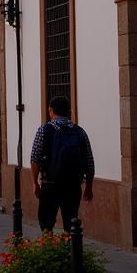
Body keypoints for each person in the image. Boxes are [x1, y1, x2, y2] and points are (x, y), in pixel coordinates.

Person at [30, 95, 94, 233]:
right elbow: (89, 161)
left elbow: (35, 158)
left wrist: (35, 182)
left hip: (50, 184)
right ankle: (70, 251)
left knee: (46, 224)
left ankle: (49, 249)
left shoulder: (44, 130)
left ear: (51, 110)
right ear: (68, 111)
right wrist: (88, 186)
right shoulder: (80, 131)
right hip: (72, 185)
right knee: (71, 223)